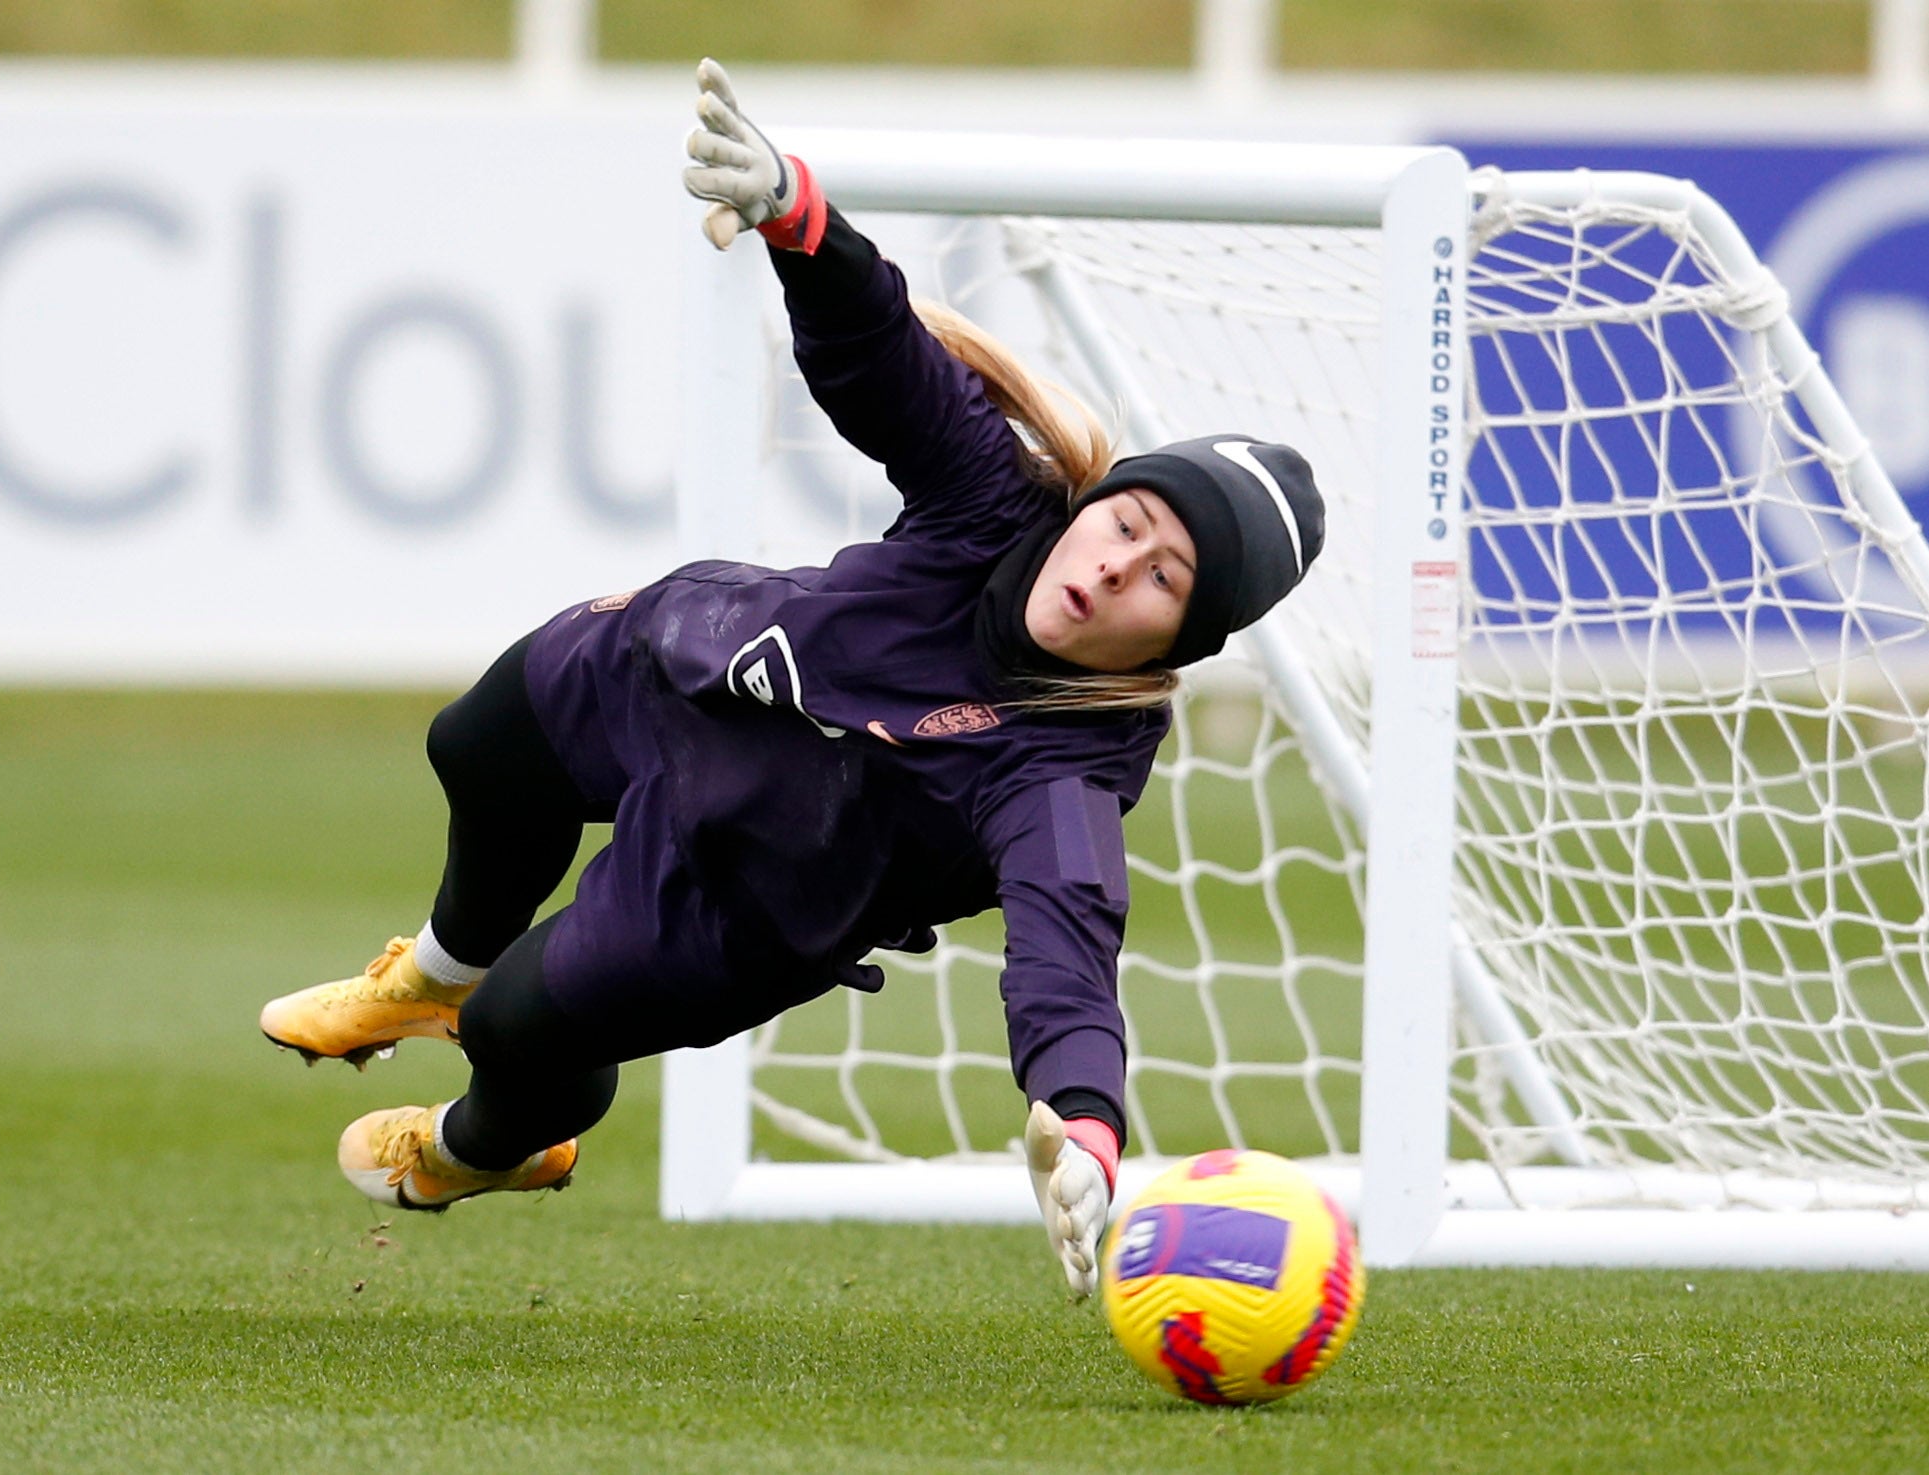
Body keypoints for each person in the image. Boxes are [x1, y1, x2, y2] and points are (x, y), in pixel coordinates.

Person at [258, 59, 1325, 1297]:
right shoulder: (999, 506)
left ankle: (478, 1148)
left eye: (1166, 576)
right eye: (1128, 520)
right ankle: (427, 978)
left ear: (1179, 640)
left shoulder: (1062, 774)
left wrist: (1082, 1121)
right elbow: (887, 364)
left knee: (518, 1036)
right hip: (690, 672)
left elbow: (1067, 956)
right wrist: (797, 216)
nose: (1115, 565)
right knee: (478, 743)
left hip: (738, 894)